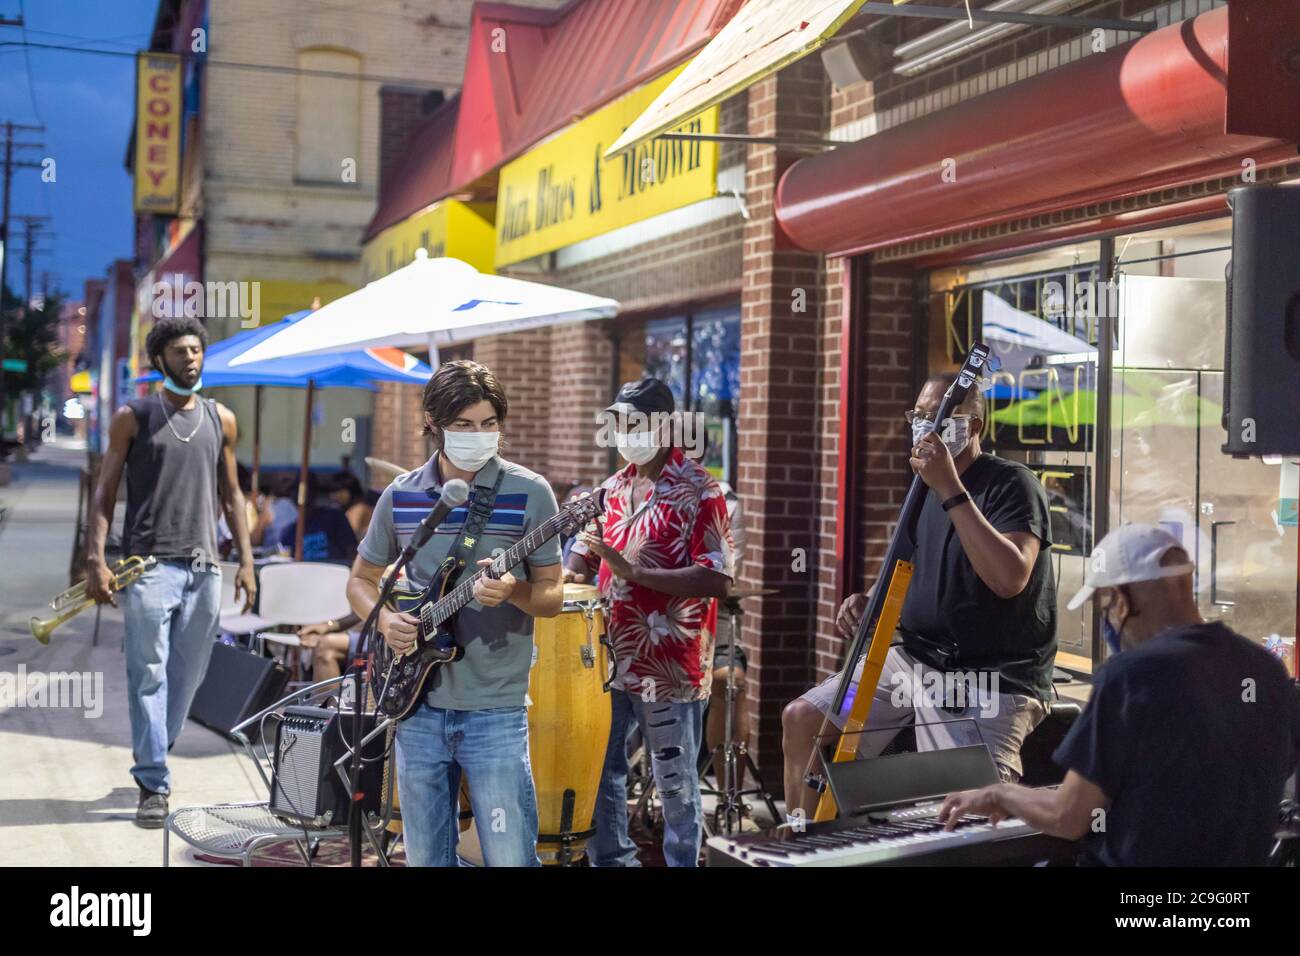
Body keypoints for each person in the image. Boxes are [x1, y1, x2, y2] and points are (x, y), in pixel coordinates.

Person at [940, 524, 1300, 865]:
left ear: (1120, 598)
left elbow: (1068, 817)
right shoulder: (1266, 669)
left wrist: (999, 793)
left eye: (1104, 608)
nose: (1109, 622)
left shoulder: (1132, 675)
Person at [783, 373, 1057, 818]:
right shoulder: (925, 488)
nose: (927, 426)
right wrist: (867, 599)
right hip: (909, 667)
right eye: (921, 416)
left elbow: (1010, 577)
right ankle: (802, 844)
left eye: (942, 417)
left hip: (985, 678)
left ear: (975, 428)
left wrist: (950, 487)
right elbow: (908, 567)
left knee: (967, 809)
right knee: (806, 719)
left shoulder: (1009, 483)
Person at [346, 360, 564, 867]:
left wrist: (512, 591)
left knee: (510, 856)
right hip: (416, 705)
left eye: (489, 424)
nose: (478, 435)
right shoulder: (400, 495)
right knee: (425, 857)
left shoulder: (531, 492)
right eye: (464, 425)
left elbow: (552, 595)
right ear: (433, 422)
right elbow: (360, 580)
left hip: (494, 707)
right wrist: (384, 621)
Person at [86, 315, 257, 828]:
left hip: (206, 568)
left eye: (196, 350)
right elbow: (104, 492)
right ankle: (153, 782)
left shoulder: (221, 419)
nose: (191, 358)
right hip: (147, 567)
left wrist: (246, 560)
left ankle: (157, 744)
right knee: (149, 676)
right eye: (180, 351)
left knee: (189, 677)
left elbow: (232, 495)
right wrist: (96, 558)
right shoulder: (133, 416)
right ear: (159, 359)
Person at [565, 378, 735, 867]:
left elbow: (717, 577)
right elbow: (578, 562)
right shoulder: (611, 489)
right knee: (603, 769)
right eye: (619, 423)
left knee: (675, 785)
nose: (624, 432)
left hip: (668, 666)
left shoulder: (701, 489)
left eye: (634, 422)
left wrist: (633, 572)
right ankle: (612, 860)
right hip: (606, 657)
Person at [276, 473, 357, 563]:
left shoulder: (334, 517)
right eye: (295, 491)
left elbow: (352, 552)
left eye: (307, 490)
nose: (297, 495)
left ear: (315, 492)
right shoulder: (289, 532)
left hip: (334, 574)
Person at [329, 469, 374, 539]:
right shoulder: (344, 509)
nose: (335, 496)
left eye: (340, 492)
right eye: (333, 492)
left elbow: (347, 535)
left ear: (351, 491)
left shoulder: (358, 508)